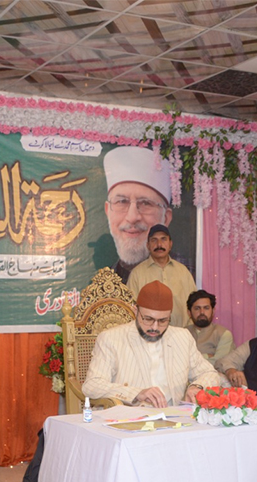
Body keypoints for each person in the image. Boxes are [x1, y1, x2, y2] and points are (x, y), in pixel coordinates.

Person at [82, 281, 219, 408]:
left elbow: (209, 373)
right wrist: (136, 393)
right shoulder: (111, 338)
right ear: (136, 311)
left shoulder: (182, 337)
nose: (155, 327)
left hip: (174, 419)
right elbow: (92, 385)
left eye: (163, 321)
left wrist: (197, 386)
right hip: (129, 419)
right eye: (148, 319)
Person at [103, 146, 173, 283]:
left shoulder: (188, 276)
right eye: (122, 202)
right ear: (107, 211)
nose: (132, 217)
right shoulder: (100, 286)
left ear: (166, 218)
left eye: (146, 203)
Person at [126, 225, 197, 328]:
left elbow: (194, 305)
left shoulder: (183, 272)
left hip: (180, 335)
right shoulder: (137, 274)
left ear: (170, 244)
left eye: (163, 239)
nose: (159, 244)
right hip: (148, 336)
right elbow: (130, 310)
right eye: (154, 240)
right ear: (148, 245)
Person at [185, 289, 234, 365]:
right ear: (189, 313)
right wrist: (207, 356)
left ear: (213, 311)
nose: (202, 312)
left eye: (206, 308)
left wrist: (188, 360)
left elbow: (219, 363)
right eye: (197, 308)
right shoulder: (183, 333)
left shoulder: (223, 334)